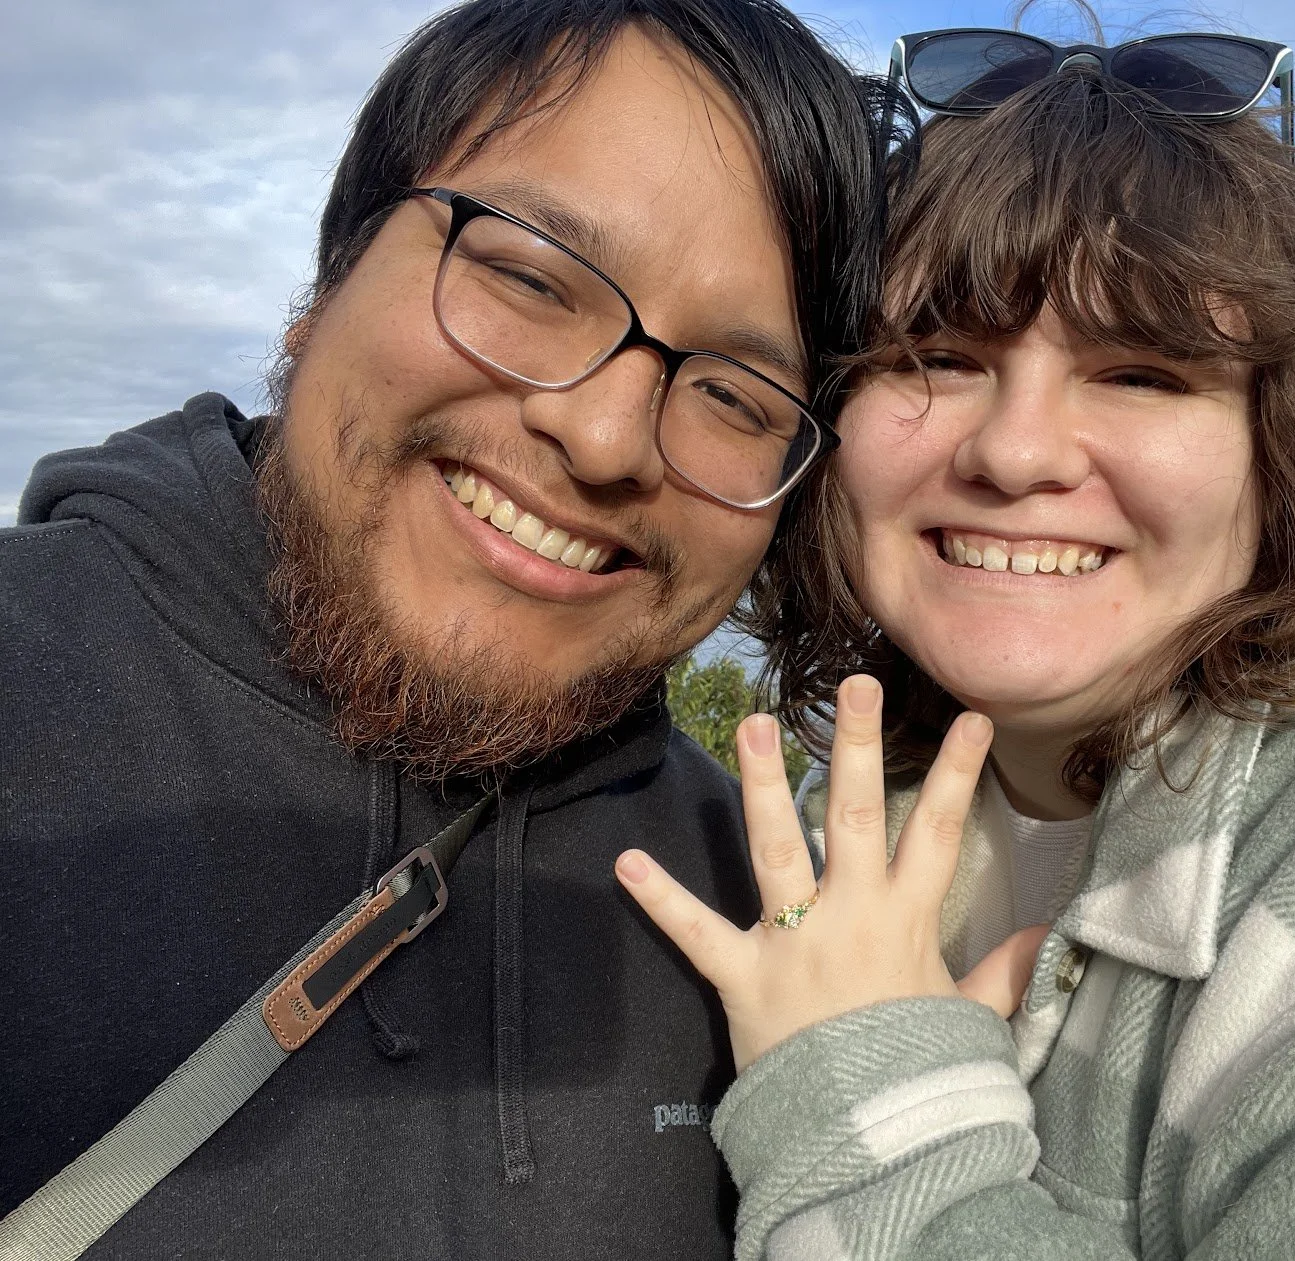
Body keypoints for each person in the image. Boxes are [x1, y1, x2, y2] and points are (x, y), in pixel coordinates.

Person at [615, 27, 1295, 1259]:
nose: (1015, 451)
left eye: (1140, 373)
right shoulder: (879, 787)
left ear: (1286, 449)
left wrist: (862, 1097)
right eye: (937, 357)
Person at [0, 1, 881, 1256]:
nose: (606, 438)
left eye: (735, 397)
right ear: (328, 279)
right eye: (529, 277)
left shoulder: (762, 906)